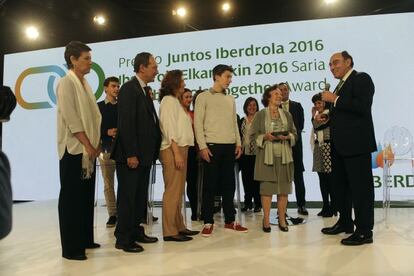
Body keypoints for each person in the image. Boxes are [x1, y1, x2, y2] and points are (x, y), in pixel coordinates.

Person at [321, 51, 376, 246]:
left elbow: (362, 106)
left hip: (357, 145)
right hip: (340, 146)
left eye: (335, 62)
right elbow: (345, 114)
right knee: (341, 188)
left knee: (361, 190)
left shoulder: (361, 78)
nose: (332, 67)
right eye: (330, 64)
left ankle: (364, 231)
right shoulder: (340, 85)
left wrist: (334, 99)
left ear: (348, 61)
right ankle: (345, 222)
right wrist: (327, 116)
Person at [111, 52, 161, 253]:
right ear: (142, 67)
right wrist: (131, 153)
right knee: (128, 198)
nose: (156, 70)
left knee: (139, 197)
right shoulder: (129, 89)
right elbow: (127, 124)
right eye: (153, 66)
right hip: (131, 156)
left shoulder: (144, 90)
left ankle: (135, 230)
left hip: (144, 155)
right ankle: (123, 238)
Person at [56, 41, 101, 260]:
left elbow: (94, 117)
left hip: (87, 152)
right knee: (71, 199)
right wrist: (88, 144)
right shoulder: (66, 83)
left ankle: (85, 239)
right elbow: (71, 118)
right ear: (73, 60)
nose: (90, 62)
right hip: (74, 150)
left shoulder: (86, 85)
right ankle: (71, 249)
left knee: (85, 197)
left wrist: (95, 143)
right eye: (86, 58)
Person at [194, 64, 247, 237]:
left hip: (229, 145)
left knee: (229, 185)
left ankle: (230, 220)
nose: (230, 80)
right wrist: (202, 146)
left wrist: (238, 143)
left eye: (230, 77)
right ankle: (208, 221)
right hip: (211, 146)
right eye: (227, 76)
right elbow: (197, 123)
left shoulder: (230, 99)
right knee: (209, 185)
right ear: (216, 76)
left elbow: (234, 123)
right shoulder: (203, 97)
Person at [159, 71, 199, 242]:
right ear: (175, 83)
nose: (184, 83)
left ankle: (179, 226)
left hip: (180, 149)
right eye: (182, 81)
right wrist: (176, 153)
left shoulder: (174, 101)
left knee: (177, 192)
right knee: (172, 192)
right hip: (172, 149)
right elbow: (169, 129)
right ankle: (169, 231)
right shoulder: (168, 101)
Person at [251, 85, 297, 232]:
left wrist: (288, 136)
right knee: (267, 190)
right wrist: (265, 136)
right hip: (267, 157)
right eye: (276, 93)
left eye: (280, 94)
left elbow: (294, 134)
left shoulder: (287, 115)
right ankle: (266, 220)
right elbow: (252, 137)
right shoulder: (260, 115)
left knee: (283, 189)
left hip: (284, 157)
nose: (279, 95)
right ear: (268, 97)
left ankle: (282, 220)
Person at [278, 82, 308, 216]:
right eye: (281, 90)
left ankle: (301, 205)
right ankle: (281, 208)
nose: (283, 92)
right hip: (279, 147)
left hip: (295, 146)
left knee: (298, 177)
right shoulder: (272, 108)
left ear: (289, 91)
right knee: (282, 179)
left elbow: (300, 126)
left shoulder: (297, 106)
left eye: (285, 89)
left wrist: (289, 137)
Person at [97, 76, 119, 228]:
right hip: (105, 150)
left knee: (125, 184)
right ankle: (112, 214)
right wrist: (107, 132)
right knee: (108, 184)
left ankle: (125, 213)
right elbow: (92, 127)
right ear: (105, 88)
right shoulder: (98, 107)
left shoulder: (123, 105)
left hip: (122, 150)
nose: (116, 89)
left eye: (118, 86)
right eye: (113, 86)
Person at [310, 93, 335, 217]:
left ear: (325, 102)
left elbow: (319, 126)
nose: (317, 105)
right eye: (315, 104)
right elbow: (316, 129)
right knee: (322, 179)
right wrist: (313, 118)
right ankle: (326, 205)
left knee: (330, 180)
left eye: (319, 102)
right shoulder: (317, 116)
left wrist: (313, 119)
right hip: (318, 148)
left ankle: (334, 206)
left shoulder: (328, 113)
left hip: (327, 147)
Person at [239, 97, 261, 213]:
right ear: (246, 107)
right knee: (246, 180)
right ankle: (247, 203)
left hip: (257, 154)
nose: (252, 107)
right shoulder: (242, 120)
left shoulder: (260, 120)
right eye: (249, 105)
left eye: (254, 105)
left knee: (256, 180)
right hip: (245, 154)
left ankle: (258, 204)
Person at [181, 88, 198, 221]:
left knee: (193, 183)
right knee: (184, 182)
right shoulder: (178, 114)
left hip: (193, 151)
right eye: (186, 97)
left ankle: (195, 210)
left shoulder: (194, 114)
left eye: (190, 97)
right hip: (181, 150)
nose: (189, 99)